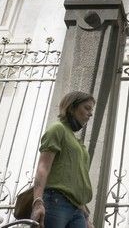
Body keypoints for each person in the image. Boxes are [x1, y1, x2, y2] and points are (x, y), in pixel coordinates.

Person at [31, 91, 96, 228]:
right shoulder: (57, 129)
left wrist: (85, 216)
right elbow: (43, 168)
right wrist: (37, 202)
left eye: (91, 110)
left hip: (77, 209)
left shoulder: (78, 142)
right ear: (72, 107)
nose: (90, 114)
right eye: (87, 108)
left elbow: (76, 181)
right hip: (56, 201)